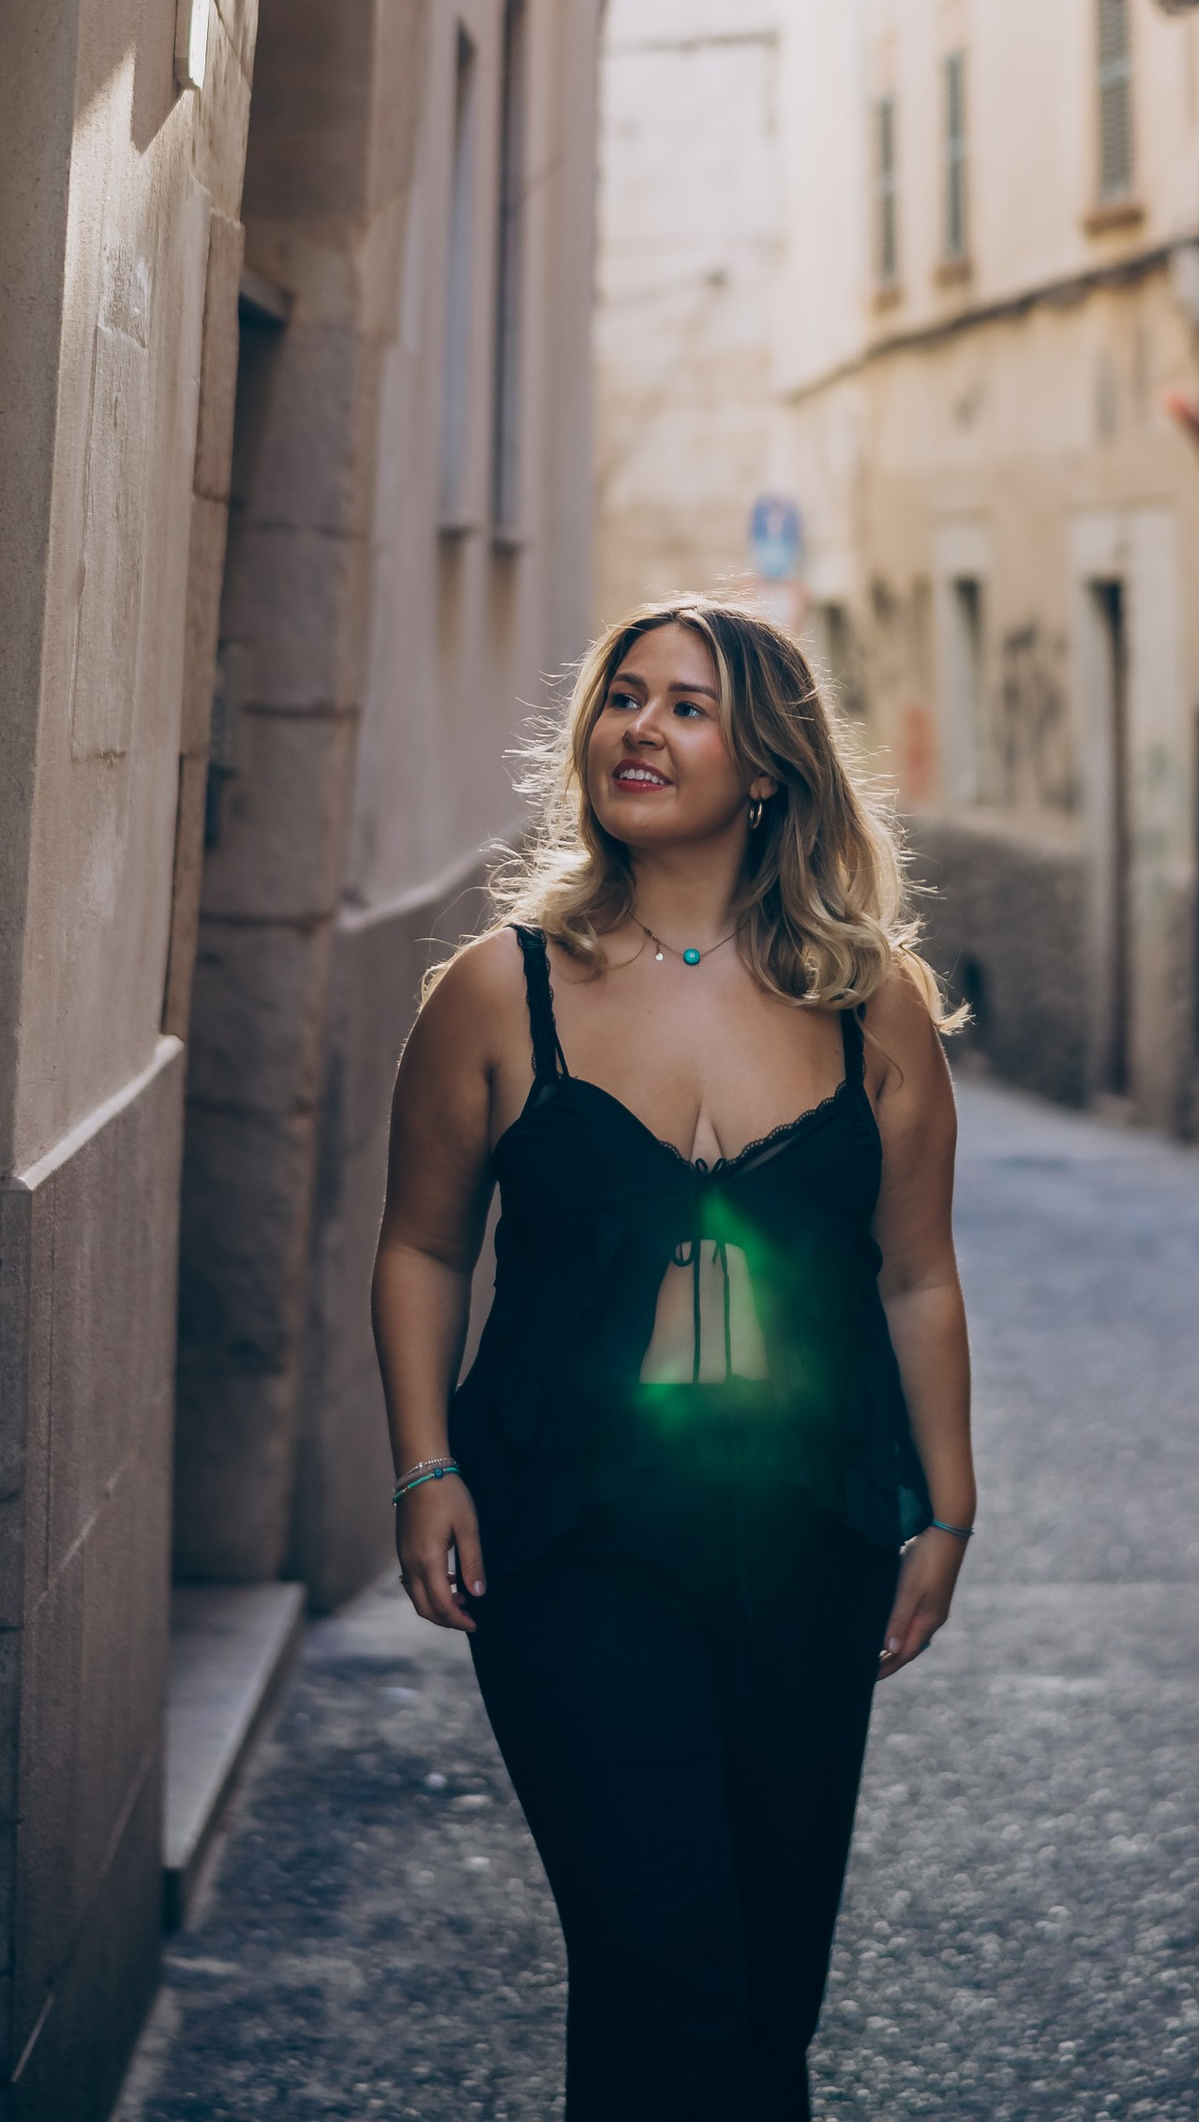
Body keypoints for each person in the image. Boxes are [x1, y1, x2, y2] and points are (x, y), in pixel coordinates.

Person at [372, 593, 977, 2121]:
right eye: (620, 697)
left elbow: (916, 1273)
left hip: (807, 1535)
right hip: (571, 1543)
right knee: (665, 1962)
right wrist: (425, 1464)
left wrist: (946, 1509)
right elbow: (423, 1248)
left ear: (765, 763)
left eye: (686, 705)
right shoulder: (497, 991)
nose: (638, 728)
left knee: (770, 1997)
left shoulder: (872, 1002)